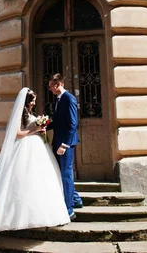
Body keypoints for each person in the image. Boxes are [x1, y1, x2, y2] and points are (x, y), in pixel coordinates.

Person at [0, 88, 70, 234]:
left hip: (38, 147)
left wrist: (41, 129)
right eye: (33, 100)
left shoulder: (30, 113)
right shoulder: (19, 114)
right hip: (24, 148)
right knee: (22, 180)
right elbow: (17, 134)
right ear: (27, 101)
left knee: (39, 181)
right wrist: (35, 130)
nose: (34, 103)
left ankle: (38, 214)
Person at [47, 73, 84, 220]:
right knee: (62, 173)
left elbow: (72, 124)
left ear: (58, 85)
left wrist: (64, 145)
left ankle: (69, 209)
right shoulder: (58, 99)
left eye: (51, 86)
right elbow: (58, 122)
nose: (49, 89)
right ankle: (76, 200)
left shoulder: (69, 99)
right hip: (58, 141)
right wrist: (44, 126)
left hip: (65, 144)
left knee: (66, 174)